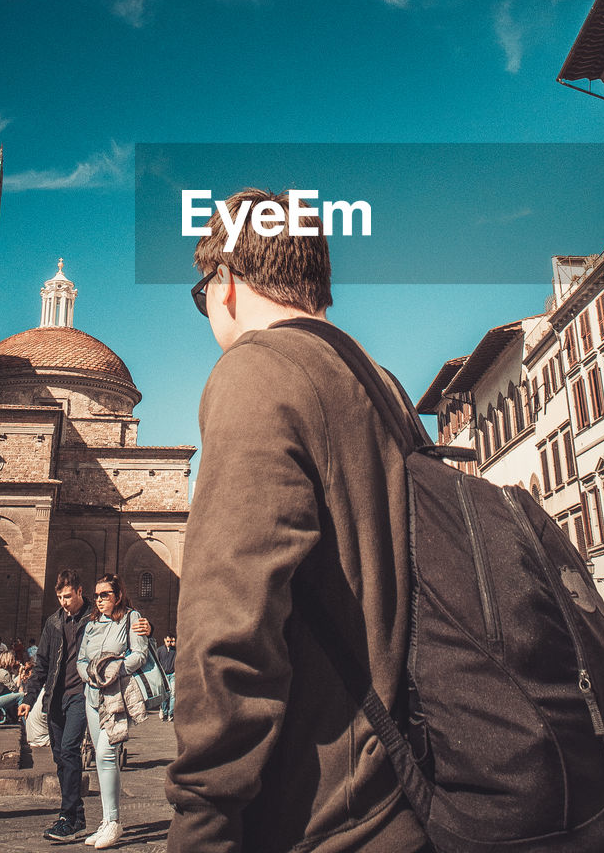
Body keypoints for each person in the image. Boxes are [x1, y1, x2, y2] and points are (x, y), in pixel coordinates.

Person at [165, 188, 430, 853]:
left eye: (203, 296)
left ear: (224, 282)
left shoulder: (254, 370)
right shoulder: (385, 386)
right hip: (409, 797)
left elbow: (229, 626)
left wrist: (202, 820)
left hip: (319, 820)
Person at [19, 568, 152, 844]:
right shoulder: (58, 622)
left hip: (87, 696)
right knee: (60, 754)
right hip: (59, 695)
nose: (64, 602)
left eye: (68, 596)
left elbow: (131, 630)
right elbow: (44, 663)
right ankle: (81, 818)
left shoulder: (100, 615)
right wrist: (29, 698)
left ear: (79, 592)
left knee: (76, 751)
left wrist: (147, 629)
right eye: (60, 597)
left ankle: (81, 818)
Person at [76, 574, 148, 849]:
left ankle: (114, 822)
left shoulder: (131, 618)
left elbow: (139, 655)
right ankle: (107, 820)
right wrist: (89, 673)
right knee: (102, 756)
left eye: (105, 594)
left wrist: (112, 670)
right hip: (92, 696)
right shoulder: (93, 624)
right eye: (97, 595)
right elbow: (82, 658)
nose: (100, 599)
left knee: (106, 755)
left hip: (115, 695)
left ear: (118, 595)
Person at [156, 635, 176, 721]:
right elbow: (157, 662)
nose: (169, 643)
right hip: (163, 675)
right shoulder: (160, 650)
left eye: (170, 641)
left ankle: (170, 713)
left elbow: (177, 661)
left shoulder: (174, 651)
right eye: (167, 641)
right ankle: (164, 712)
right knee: (164, 694)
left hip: (172, 674)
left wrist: (176, 671)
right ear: (164, 640)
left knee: (173, 694)